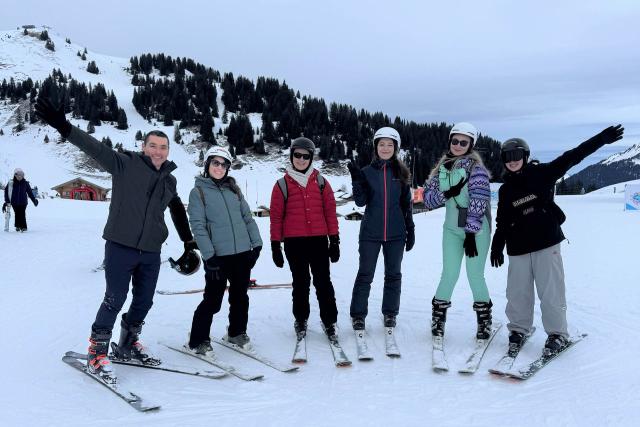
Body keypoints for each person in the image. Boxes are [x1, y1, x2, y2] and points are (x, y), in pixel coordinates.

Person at [35, 97, 196, 383]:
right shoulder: (124, 164)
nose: (158, 152)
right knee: (114, 298)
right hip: (121, 246)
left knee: (144, 301)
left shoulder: (169, 181)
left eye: (163, 147)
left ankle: (127, 345)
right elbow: (93, 147)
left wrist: (188, 242)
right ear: (143, 147)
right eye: (153, 146)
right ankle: (97, 352)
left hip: (150, 250)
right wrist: (63, 126)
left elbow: (175, 209)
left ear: (168, 151)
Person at [490, 125, 624, 354]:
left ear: (525, 156)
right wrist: (497, 246)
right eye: (507, 157)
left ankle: (557, 334)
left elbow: (574, 155)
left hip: (546, 243)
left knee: (551, 292)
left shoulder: (544, 173)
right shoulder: (506, 190)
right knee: (517, 293)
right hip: (518, 248)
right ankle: (518, 330)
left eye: (516, 156)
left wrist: (602, 139)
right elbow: (502, 221)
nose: (512, 161)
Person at [185, 146, 262, 354]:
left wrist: (257, 245)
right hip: (218, 258)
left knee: (240, 297)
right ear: (207, 165)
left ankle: (236, 333)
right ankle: (197, 340)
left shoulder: (234, 191)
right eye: (215, 163)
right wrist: (209, 256)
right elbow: (198, 226)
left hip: (242, 254)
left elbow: (247, 218)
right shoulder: (198, 192)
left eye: (223, 164)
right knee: (213, 300)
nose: (219, 167)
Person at [423, 122, 492, 341]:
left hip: (477, 232)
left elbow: (479, 202)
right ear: (450, 142)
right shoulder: (442, 169)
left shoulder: (477, 170)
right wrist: (447, 193)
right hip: (451, 230)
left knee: (475, 275)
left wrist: (471, 233)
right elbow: (428, 200)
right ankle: (438, 319)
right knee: (449, 273)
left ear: (471, 145)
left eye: (464, 142)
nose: (458, 145)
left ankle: (484, 321)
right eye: (455, 141)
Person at [269, 137, 340, 341]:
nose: (301, 159)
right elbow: (275, 217)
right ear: (292, 156)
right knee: (301, 283)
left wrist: (334, 241)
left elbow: (330, 213)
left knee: (323, 283)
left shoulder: (321, 182)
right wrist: (276, 245)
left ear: (311, 158)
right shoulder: (281, 185)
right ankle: (301, 319)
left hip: (318, 241)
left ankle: (329, 321)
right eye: (297, 155)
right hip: (294, 243)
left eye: (305, 156)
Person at [347, 127, 414, 333]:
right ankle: (358, 315)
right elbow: (360, 202)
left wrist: (410, 229)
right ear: (376, 147)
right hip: (370, 234)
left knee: (393, 274)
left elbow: (406, 204)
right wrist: (357, 180)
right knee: (365, 274)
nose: (385, 148)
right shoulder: (367, 172)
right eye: (381, 144)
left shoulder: (401, 173)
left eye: (390, 145)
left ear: (396, 148)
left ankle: (390, 313)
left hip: (396, 234)